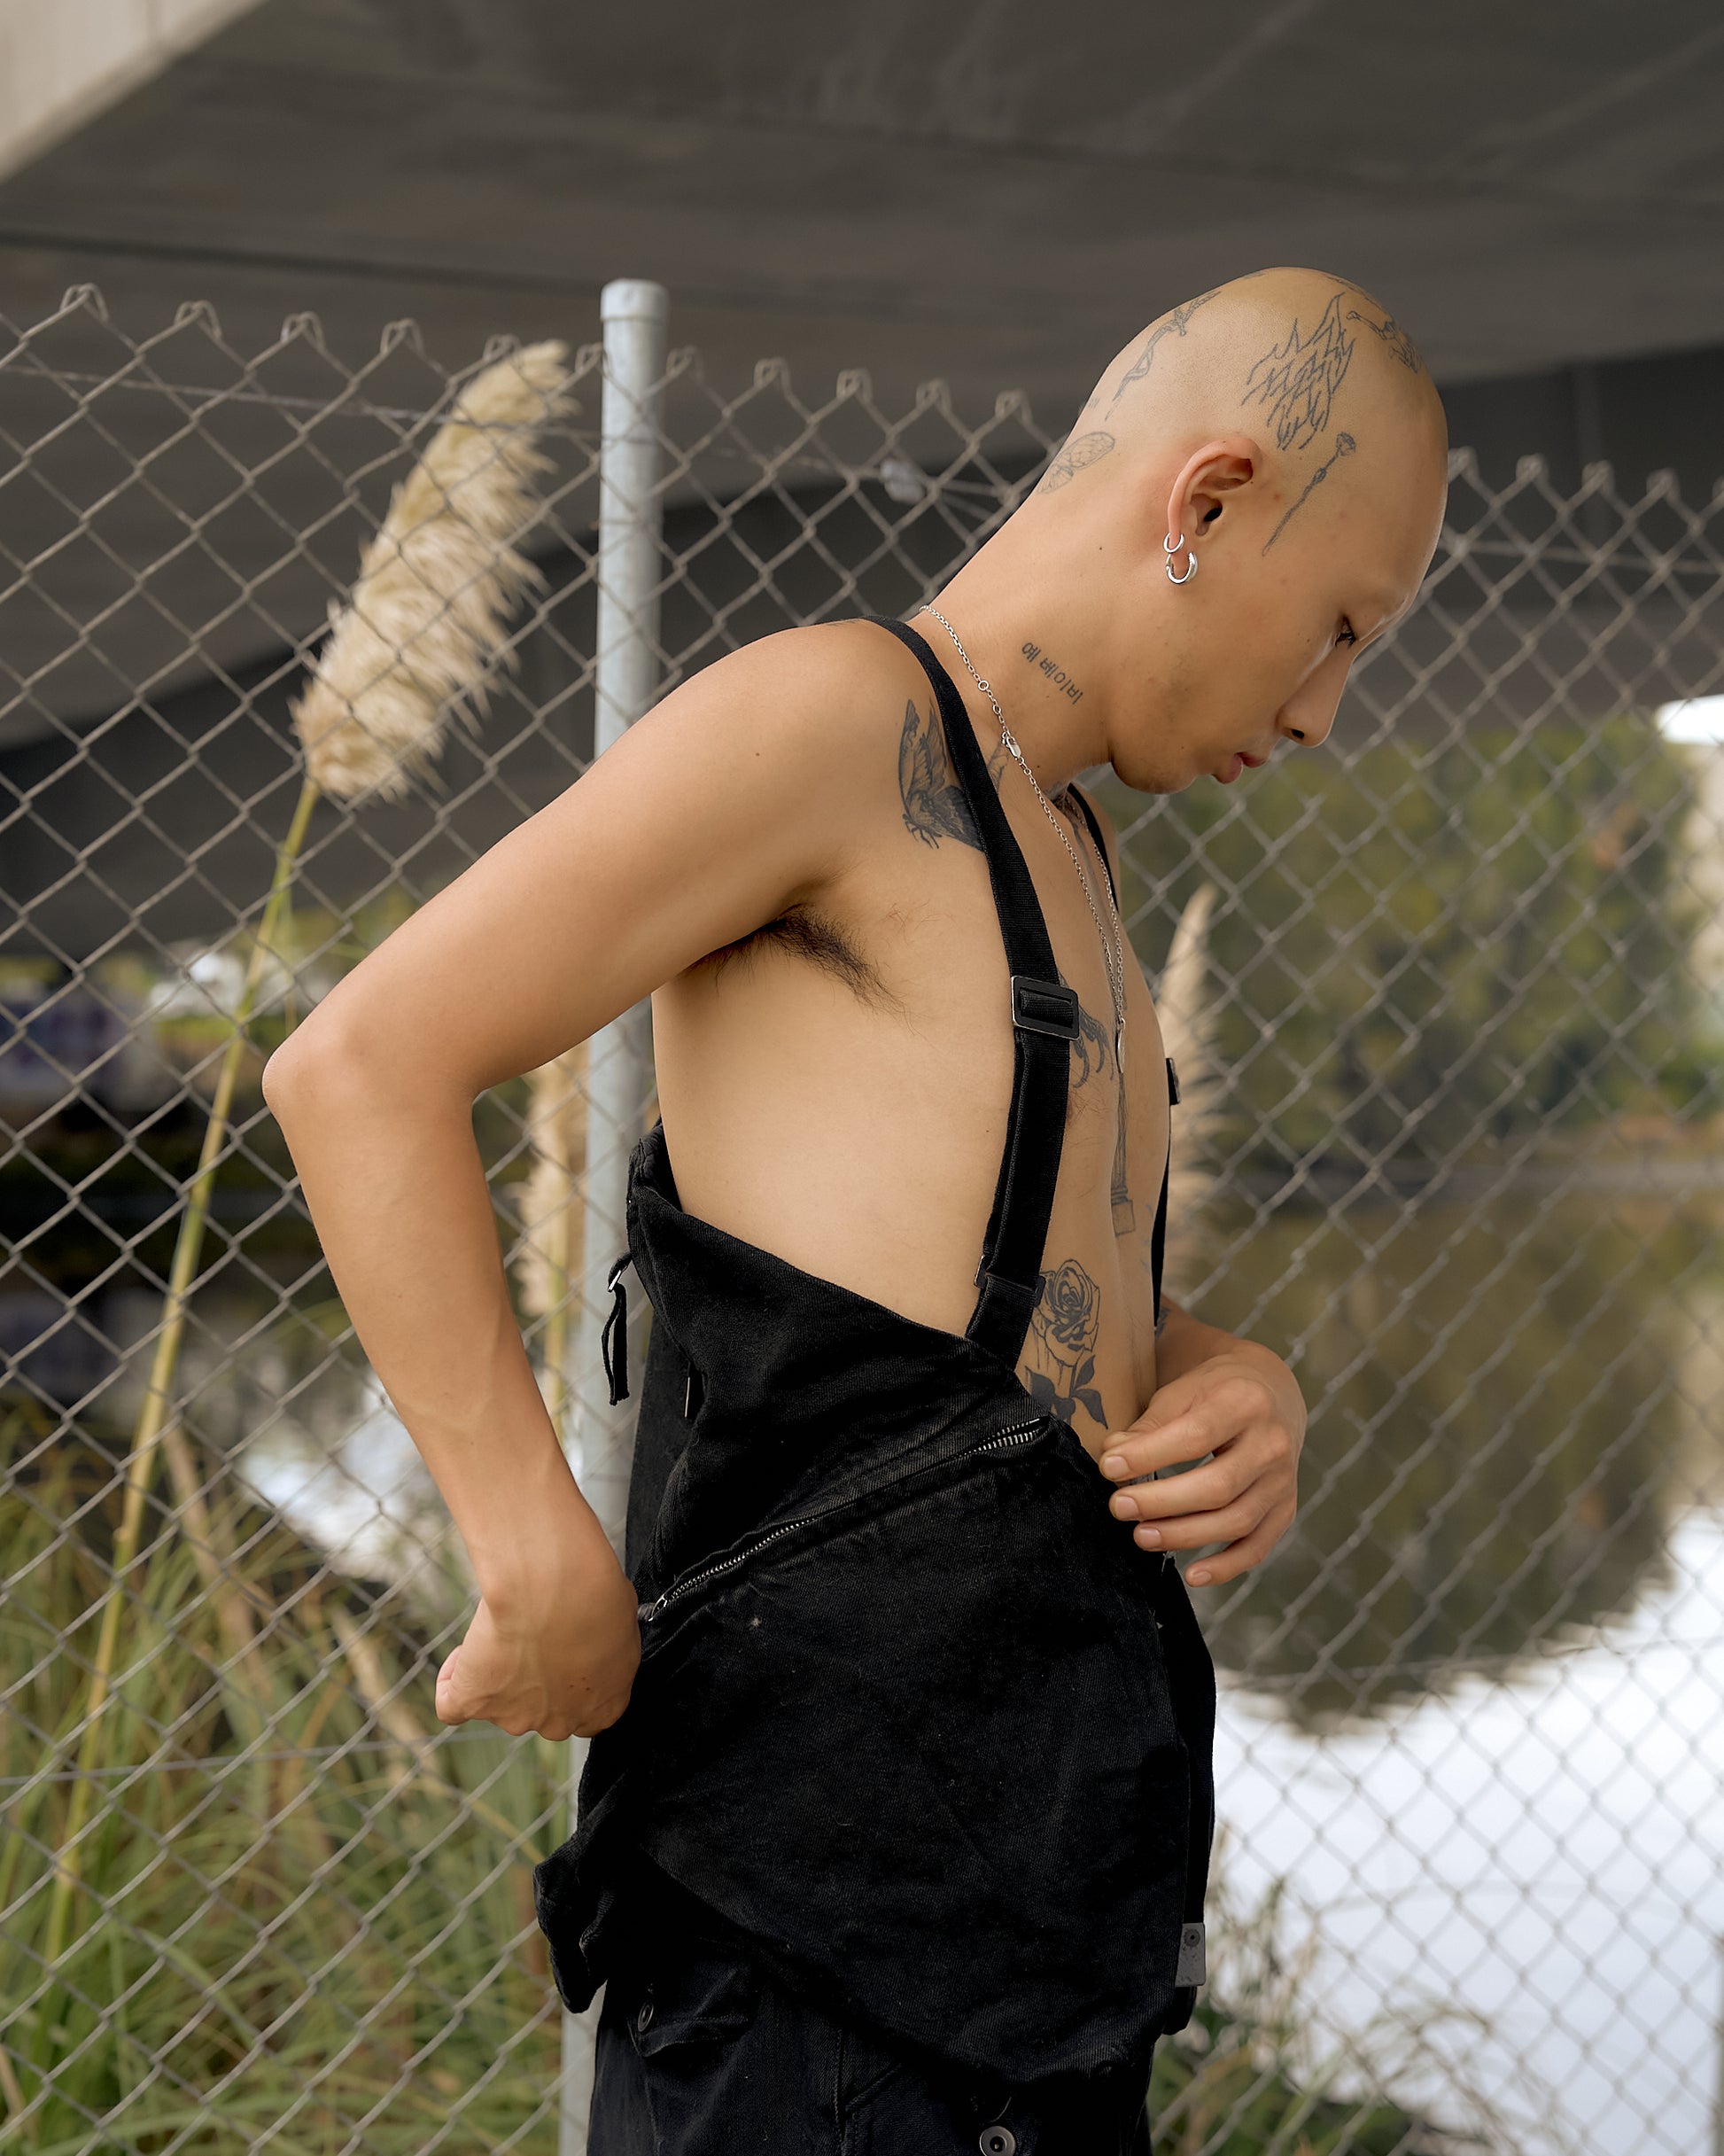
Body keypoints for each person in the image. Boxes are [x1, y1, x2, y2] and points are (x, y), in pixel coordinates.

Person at [263, 264, 1448, 2155]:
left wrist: (1238, 1378)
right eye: (1338, 629)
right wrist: (530, 1544)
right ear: (1206, 503)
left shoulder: (1063, 836)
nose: (1322, 710)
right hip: (811, 1982)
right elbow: (360, 1065)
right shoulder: (833, 716)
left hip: (1033, 1966)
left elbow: (1019, 1319)